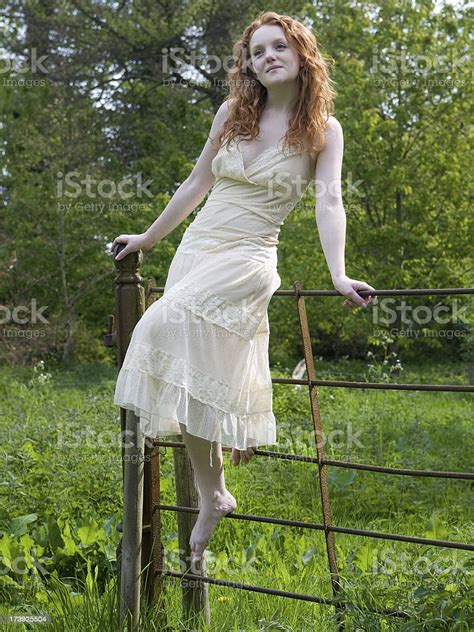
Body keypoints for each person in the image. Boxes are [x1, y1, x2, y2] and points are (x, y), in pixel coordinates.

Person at [111, 11, 376, 563]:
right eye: (257, 52)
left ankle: (214, 493)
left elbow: (330, 201)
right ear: (248, 65)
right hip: (198, 252)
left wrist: (337, 272)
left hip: (249, 259)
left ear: (301, 54)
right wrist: (148, 239)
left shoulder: (323, 130)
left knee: (159, 326)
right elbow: (196, 182)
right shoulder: (234, 113)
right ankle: (215, 494)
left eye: (279, 46)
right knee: (193, 381)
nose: (268, 57)